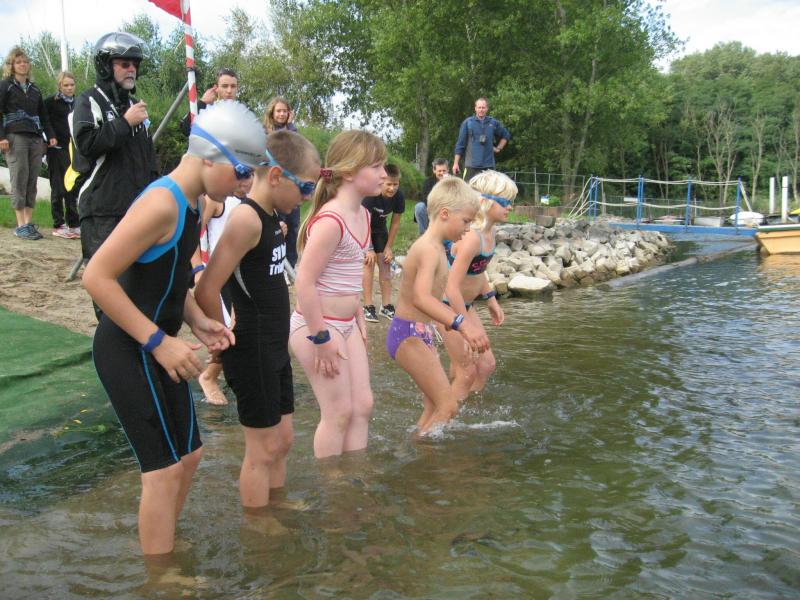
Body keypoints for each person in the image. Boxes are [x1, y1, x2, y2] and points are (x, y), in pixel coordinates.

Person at [82, 100, 267, 556]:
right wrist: (158, 341)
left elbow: (167, 278)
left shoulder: (193, 203)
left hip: (157, 345)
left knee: (190, 456)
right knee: (162, 470)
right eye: (241, 172)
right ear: (210, 158)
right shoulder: (162, 202)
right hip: (127, 347)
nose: (244, 185)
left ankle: (163, 542)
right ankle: (161, 578)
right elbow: (97, 277)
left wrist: (197, 320)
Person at [196, 130, 321, 508]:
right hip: (252, 349)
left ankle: (276, 505)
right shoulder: (246, 220)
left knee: (283, 441)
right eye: (305, 188)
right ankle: (258, 522)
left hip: (274, 347)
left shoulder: (270, 219)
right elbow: (206, 287)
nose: (307, 197)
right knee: (261, 449)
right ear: (277, 176)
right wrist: (219, 334)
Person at [288, 130, 385, 459]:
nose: (384, 174)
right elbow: (304, 283)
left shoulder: (365, 215)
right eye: (376, 166)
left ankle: (354, 478)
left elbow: (345, 274)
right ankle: (333, 484)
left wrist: (356, 309)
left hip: (346, 323)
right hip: (317, 327)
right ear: (349, 172)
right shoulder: (331, 220)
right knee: (338, 412)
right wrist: (321, 337)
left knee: (363, 406)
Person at [386, 177, 489, 434]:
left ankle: (418, 451)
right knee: (448, 407)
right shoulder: (428, 249)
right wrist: (462, 324)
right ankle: (421, 453)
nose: (468, 229)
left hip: (421, 332)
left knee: (433, 407)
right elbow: (421, 298)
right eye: (466, 221)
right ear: (445, 214)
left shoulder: (439, 248)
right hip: (408, 334)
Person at [73, 31, 158, 262]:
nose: (132, 69)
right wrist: (125, 123)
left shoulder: (135, 106)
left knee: (137, 278)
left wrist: (156, 195)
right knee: (104, 277)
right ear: (106, 66)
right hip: (102, 211)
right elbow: (86, 144)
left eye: (135, 65)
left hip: (137, 209)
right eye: (124, 64)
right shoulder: (89, 100)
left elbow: (148, 158)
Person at [440, 170, 516, 403]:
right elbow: (451, 286)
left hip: (466, 305)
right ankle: (447, 414)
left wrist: (490, 299)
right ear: (485, 202)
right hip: (447, 307)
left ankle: (465, 405)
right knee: (467, 370)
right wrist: (464, 327)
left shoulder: (489, 232)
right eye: (506, 201)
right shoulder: (471, 238)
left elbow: (478, 271)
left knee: (486, 364)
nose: (511, 207)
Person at [193, 176, 253, 405]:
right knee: (230, 331)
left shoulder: (253, 202)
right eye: (244, 175)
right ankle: (209, 377)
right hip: (221, 276)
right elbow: (193, 235)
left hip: (246, 275)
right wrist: (197, 268)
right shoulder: (216, 200)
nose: (248, 181)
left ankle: (231, 373)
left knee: (243, 329)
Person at [0, 47, 56, 240]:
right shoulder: (5, 86)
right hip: (15, 136)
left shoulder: (35, 89)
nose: (23, 64)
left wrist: (50, 135)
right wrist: (2, 137)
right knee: (19, 177)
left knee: (32, 179)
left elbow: (43, 115)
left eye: (25, 61)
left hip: (35, 137)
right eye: (18, 62)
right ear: (12, 65)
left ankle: (28, 223)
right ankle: (20, 225)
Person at [362, 162, 404, 322]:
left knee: (385, 263)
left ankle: (386, 306)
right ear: (381, 182)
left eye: (395, 184)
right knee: (369, 262)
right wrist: (369, 248)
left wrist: (388, 247)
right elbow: (363, 222)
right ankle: (368, 306)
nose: (392, 188)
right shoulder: (371, 195)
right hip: (363, 229)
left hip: (380, 230)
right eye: (389, 184)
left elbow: (395, 223)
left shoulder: (399, 196)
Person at [264, 96, 301, 268]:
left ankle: (291, 267)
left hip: (292, 185)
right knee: (278, 226)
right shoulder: (266, 132)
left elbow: (297, 149)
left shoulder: (293, 130)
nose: (281, 114)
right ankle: (276, 266)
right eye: (278, 111)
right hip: (275, 185)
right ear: (272, 112)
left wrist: (291, 126)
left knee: (293, 228)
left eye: (285, 111)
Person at [44, 71, 80, 239]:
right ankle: (58, 224)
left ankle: (74, 223)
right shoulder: (51, 102)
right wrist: (49, 137)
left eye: (72, 85)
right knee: (58, 186)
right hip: (56, 148)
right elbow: (44, 121)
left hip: (73, 149)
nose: (69, 88)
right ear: (59, 86)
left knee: (72, 186)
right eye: (66, 85)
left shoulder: (79, 103)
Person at [452, 97, 510, 181]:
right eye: (479, 107)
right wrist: (455, 163)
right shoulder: (468, 123)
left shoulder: (493, 122)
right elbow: (460, 145)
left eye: (483, 107)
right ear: (475, 108)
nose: (481, 110)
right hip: (471, 167)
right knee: (469, 189)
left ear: (487, 108)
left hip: (489, 167)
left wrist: (498, 148)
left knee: (489, 190)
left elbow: (506, 135)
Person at [179, 68, 239, 136]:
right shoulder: (206, 109)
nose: (229, 91)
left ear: (237, 88)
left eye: (233, 86)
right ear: (216, 88)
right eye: (224, 86)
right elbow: (186, 130)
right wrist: (202, 102)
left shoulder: (244, 112)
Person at [415, 157, 448, 235]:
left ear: (448, 170)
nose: (442, 173)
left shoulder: (452, 182)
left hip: (447, 211)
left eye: (444, 171)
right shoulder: (428, 182)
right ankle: (424, 235)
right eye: (439, 171)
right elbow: (425, 199)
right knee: (419, 206)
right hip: (431, 210)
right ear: (434, 170)